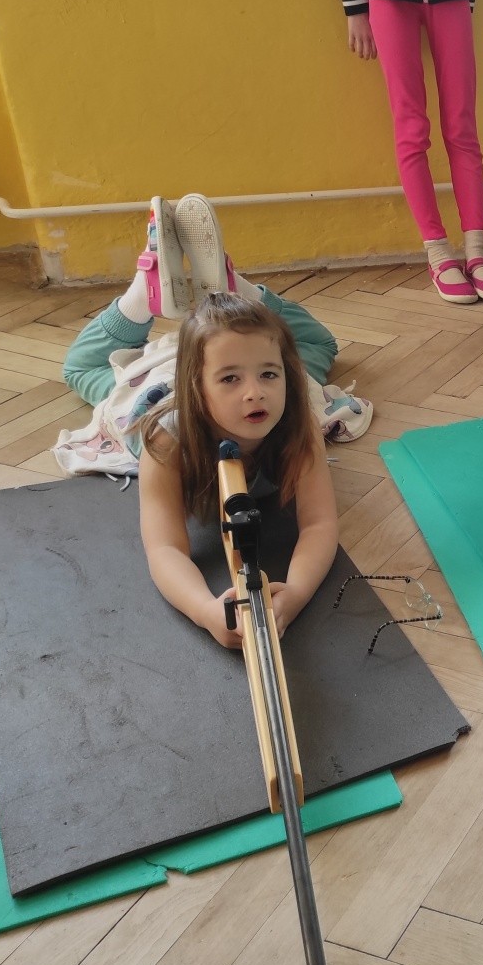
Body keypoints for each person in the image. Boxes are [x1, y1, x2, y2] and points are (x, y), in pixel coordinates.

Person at [59, 198, 361, 649]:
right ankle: (142, 292)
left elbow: (319, 525)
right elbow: (164, 547)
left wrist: (296, 593)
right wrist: (205, 611)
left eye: (269, 374)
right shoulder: (165, 439)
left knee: (319, 347)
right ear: (198, 389)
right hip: (155, 389)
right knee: (81, 370)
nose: (255, 392)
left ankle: (237, 291)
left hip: (211, 357)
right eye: (231, 380)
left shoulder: (296, 420)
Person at [326, 0, 483, 304]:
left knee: (462, 124)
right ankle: (438, 253)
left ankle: (477, 252)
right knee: (411, 126)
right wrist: (354, 3)